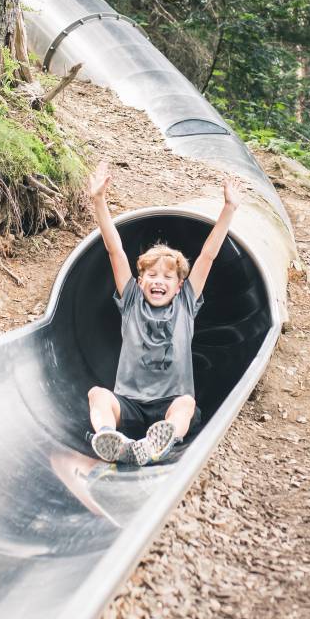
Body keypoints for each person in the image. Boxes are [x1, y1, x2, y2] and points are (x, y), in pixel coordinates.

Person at [85, 160, 239, 465]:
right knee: (97, 395)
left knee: (186, 404)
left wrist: (229, 209)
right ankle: (108, 437)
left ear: (179, 285)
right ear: (140, 281)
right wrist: (99, 201)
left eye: (168, 277)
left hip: (168, 407)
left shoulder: (185, 304)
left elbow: (208, 255)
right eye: (152, 275)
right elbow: (115, 251)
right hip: (129, 404)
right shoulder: (130, 300)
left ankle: (162, 440)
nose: (159, 281)